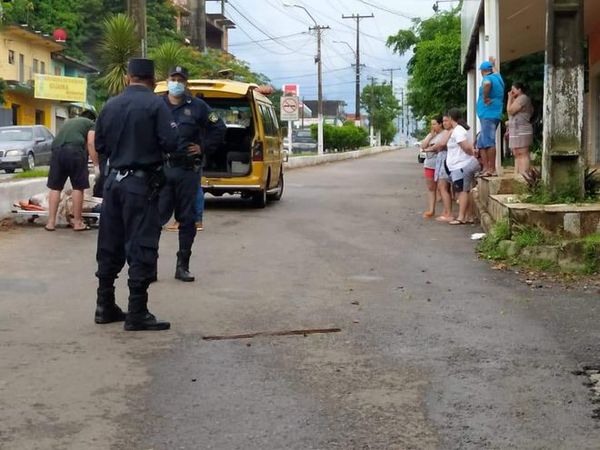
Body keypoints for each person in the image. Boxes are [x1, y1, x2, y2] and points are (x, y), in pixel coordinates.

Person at [94, 58, 179, 331]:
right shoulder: (156, 105)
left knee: (110, 242)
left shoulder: (110, 104)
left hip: (112, 184)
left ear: (128, 77)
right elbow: (171, 142)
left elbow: (99, 144)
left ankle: (104, 305)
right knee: (141, 244)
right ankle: (137, 311)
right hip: (141, 186)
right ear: (153, 80)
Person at [159, 66, 226, 282]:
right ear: (167, 80)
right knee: (153, 220)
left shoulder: (198, 106)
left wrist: (203, 146)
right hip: (162, 170)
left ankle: (182, 266)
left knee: (187, 220)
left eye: (180, 79)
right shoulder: (156, 104)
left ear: (186, 83)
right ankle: (148, 266)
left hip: (187, 171)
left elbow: (219, 127)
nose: (176, 82)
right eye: (173, 78)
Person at [45, 110, 98, 231]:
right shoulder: (92, 124)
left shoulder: (69, 122)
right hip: (74, 150)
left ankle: (51, 222)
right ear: (93, 120)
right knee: (78, 187)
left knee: (55, 187)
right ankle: (78, 222)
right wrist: (96, 165)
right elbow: (90, 143)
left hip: (57, 149)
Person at [435, 109, 479, 225]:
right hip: (457, 166)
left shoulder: (458, 130)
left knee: (462, 191)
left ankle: (461, 217)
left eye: (447, 118)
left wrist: (472, 153)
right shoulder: (456, 130)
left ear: (451, 118)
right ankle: (468, 216)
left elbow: (465, 146)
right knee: (464, 191)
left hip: (461, 165)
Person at [476, 59, 504, 176]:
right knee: (481, 142)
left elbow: (487, 84)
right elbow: (496, 72)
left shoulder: (487, 79)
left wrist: (485, 96)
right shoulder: (498, 77)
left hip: (488, 114)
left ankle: (491, 169)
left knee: (488, 141)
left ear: (482, 71)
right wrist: (494, 64)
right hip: (492, 113)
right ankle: (485, 168)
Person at [420, 116, 446, 219]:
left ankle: (446, 210)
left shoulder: (445, 134)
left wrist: (430, 148)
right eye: (432, 124)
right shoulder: (431, 135)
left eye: (435, 124)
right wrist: (430, 136)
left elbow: (441, 147)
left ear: (440, 124)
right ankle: (431, 210)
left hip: (441, 164)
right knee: (431, 188)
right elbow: (423, 146)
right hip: (429, 164)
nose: (433, 126)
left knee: (442, 187)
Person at [507, 82, 534, 175]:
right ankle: (518, 174)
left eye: (513, 89)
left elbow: (510, 111)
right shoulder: (516, 100)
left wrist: (509, 98)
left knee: (523, 152)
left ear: (519, 90)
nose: (511, 92)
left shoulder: (523, 98)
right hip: (515, 130)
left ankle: (524, 174)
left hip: (522, 129)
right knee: (516, 152)